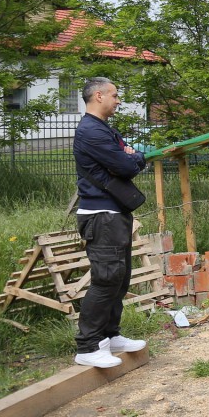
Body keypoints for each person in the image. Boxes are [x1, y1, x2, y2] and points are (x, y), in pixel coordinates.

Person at [72, 77, 148, 367]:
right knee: (106, 279)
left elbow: (129, 157)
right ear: (99, 96)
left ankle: (110, 335)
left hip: (115, 213)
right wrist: (132, 158)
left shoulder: (104, 128)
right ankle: (88, 346)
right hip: (100, 216)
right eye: (115, 95)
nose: (118, 100)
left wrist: (132, 156)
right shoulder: (91, 131)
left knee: (120, 277)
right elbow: (126, 165)